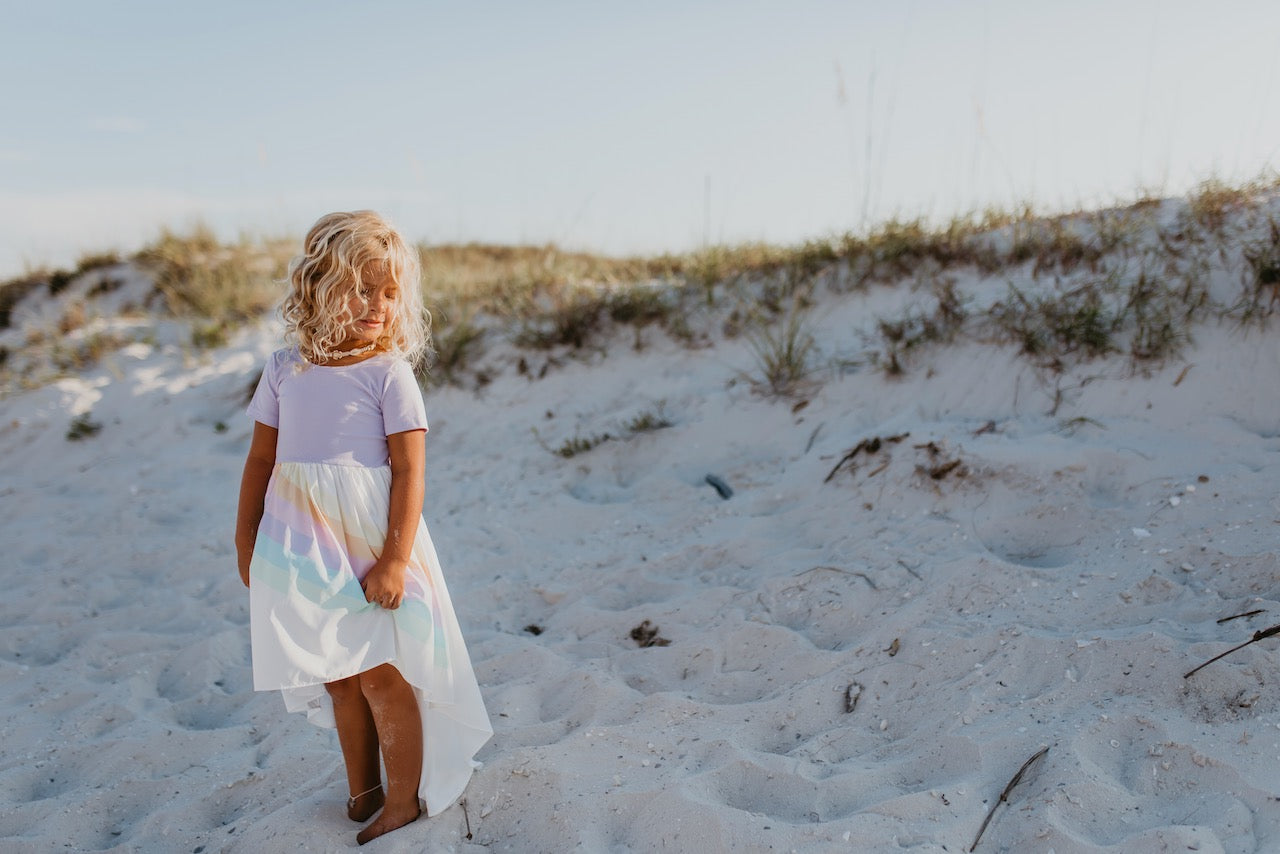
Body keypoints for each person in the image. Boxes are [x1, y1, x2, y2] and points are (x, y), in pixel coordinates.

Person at [234, 210, 492, 846]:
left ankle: (401, 800)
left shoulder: (388, 373)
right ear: (319, 287)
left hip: (372, 542)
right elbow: (261, 461)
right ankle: (363, 791)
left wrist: (396, 560)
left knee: (379, 672)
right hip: (302, 544)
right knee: (338, 673)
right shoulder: (284, 369)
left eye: (390, 292)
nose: (379, 305)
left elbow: (409, 471)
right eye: (362, 289)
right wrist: (246, 539)